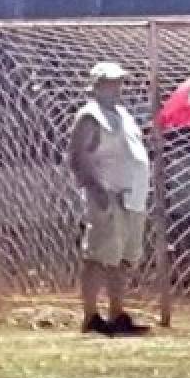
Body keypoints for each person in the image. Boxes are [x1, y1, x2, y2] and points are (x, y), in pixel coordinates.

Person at [67, 62, 151, 336]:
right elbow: (78, 157)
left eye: (118, 82)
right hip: (108, 195)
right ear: (96, 85)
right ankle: (91, 316)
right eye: (109, 82)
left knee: (122, 259)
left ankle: (117, 313)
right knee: (98, 256)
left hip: (132, 196)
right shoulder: (90, 115)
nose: (116, 87)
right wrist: (97, 191)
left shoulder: (123, 114)